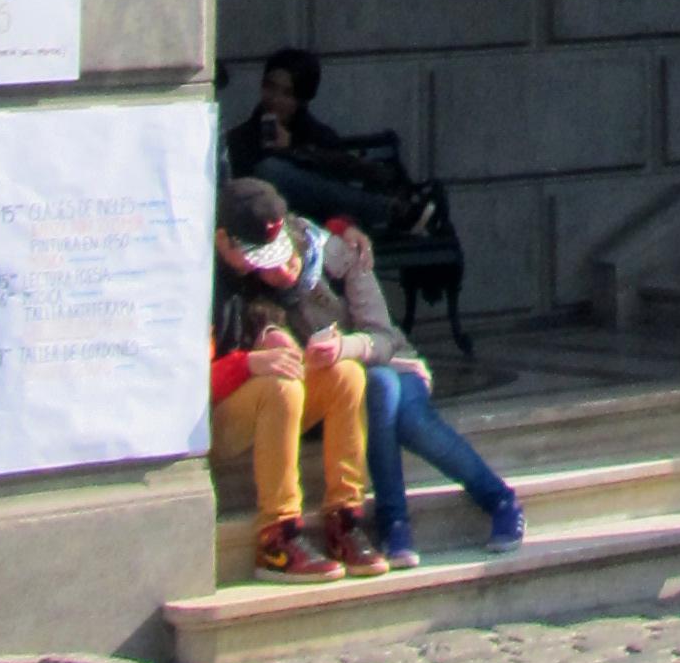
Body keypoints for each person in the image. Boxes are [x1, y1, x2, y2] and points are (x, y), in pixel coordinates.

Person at [317, 215, 525, 566]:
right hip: (343, 386)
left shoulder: (343, 254)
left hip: (393, 361)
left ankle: (496, 500)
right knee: (382, 390)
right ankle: (396, 522)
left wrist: (343, 347)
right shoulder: (275, 281)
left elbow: (383, 338)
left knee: (405, 412)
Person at [212, 177, 383, 578]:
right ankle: (278, 535)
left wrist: (270, 332)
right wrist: (247, 363)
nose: (261, 266)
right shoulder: (198, 279)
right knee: (282, 388)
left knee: (345, 374)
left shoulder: (253, 264)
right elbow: (184, 384)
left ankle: (345, 516)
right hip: (211, 420)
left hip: (264, 400)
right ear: (222, 239)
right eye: (253, 255)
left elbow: (307, 235)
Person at [223, 49, 409, 232]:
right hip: (269, 224)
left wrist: (293, 150)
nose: (275, 99)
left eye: (287, 93)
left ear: (301, 100)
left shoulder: (318, 135)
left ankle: (389, 209)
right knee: (269, 170)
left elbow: (338, 180)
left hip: (317, 224)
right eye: (270, 87)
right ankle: (386, 209)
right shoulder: (240, 137)